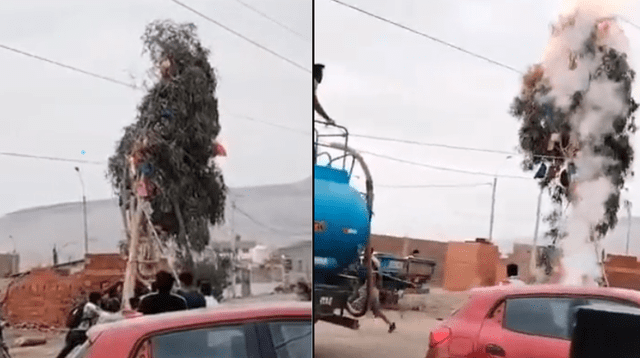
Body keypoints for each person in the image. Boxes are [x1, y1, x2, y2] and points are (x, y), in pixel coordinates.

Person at [57, 292, 106, 358]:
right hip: (81, 333)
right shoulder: (91, 306)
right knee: (91, 348)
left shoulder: (84, 305)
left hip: (72, 332)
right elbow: (104, 315)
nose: (100, 301)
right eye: (100, 299)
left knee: (67, 351)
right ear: (97, 300)